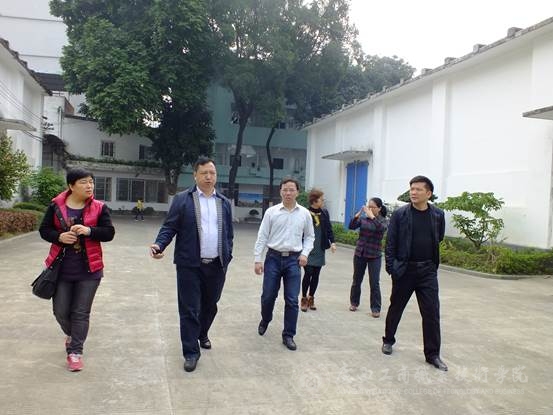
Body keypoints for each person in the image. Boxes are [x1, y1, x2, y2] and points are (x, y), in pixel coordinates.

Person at [150, 157, 233, 373]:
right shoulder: (182, 199)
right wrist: (159, 244)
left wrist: (228, 255)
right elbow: (170, 227)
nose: (208, 177)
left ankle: (202, 333)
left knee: (210, 304)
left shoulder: (223, 202)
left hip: (217, 265)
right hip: (189, 264)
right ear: (195, 175)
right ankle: (190, 352)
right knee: (189, 308)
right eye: (204, 173)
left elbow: (229, 234)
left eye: (212, 173)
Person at [39, 168, 115, 372]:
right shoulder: (56, 206)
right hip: (61, 269)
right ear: (71, 186)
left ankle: (75, 352)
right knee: (61, 311)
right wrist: (59, 237)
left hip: (90, 270)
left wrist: (89, 231)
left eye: (91, 182)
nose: (89, 186)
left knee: (80, 312)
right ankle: (72, 335)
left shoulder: (99, 208)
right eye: (83, 182)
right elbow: (44, 230)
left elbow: (109, 233)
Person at [381, 175, 447, 371]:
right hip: (405, 270)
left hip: (427, 271)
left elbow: (439, 237)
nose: (413, 192)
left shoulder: (438, 215)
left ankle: (433, 354)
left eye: (418, 189)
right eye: (412, 189)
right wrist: (392, 268)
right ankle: (388, 340)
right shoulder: (400, 214)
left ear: (429, 193)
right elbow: (390, 242)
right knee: (396, 307)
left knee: (432, 313)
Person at [254, 178, 315, 351]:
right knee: (268, 295)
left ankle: (288, 335)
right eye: (285, 190)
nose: (288, 193)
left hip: (294, 260)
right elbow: (262, 236)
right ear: (280, 191)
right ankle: (266, 318)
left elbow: (310, 236)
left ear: (297, 192)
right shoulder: (271, 212)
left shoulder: (304, 214)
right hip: (273, 258)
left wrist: (305, 253)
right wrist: (258, 259)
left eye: (291, 190)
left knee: (292, 299)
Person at [348, 197, 388, 317]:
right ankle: (354, 303)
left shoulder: (383, 221)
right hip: (360, 253)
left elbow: (382, 229)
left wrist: (373, 217)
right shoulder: (363, 219)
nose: (369, 209)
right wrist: (357, 216)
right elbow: (351, 226)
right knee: (356, 280)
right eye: (368, 207)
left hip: (374, 255)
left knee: (374, 282)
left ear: (379, 208)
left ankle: (375, 308)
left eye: (372, 207)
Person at [301, 189, 336, 312]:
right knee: (308, 273)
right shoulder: (305, 213)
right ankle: (304, 298)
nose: (323, 201)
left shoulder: (324, 213)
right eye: (321, 199)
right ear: (315, 200)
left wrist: (333, 242)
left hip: (320, 247)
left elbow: (329, 229)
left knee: (316, 274)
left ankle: (311, 297)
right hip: (307, 248)